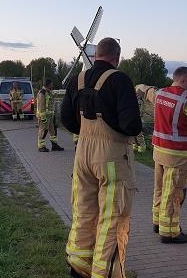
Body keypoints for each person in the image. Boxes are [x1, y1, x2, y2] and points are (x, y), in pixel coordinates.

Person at [61, 37, 141, 278]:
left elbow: (67, 119)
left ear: (95, 56)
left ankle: (78, 266)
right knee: (112, 218)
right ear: (117, 57)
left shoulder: (78, 79)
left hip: (82, 154)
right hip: (112, 158)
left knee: (83, 212)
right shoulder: (119, 79)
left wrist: (87, 133)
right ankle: (104, 273)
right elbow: (131, 125)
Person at [136, 68, 187, 244]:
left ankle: (157, 222)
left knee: (160, 189)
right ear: (183, 80)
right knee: (174, 192)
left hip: (159, 151)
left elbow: (143, 89)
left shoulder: (160, 94)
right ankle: (170, 232)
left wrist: (139, 87)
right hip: (178, 154)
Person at [37, 78, 64, 152]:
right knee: (43, 131)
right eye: (51, 84)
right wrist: (43, 118)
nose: (52, 85)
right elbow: (41, 107)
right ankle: (41, 146)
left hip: (50, 116)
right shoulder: (42, 93)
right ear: (48, 84)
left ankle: (54, 145)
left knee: (53, 131)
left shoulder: (49, 92)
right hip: (44, 117)